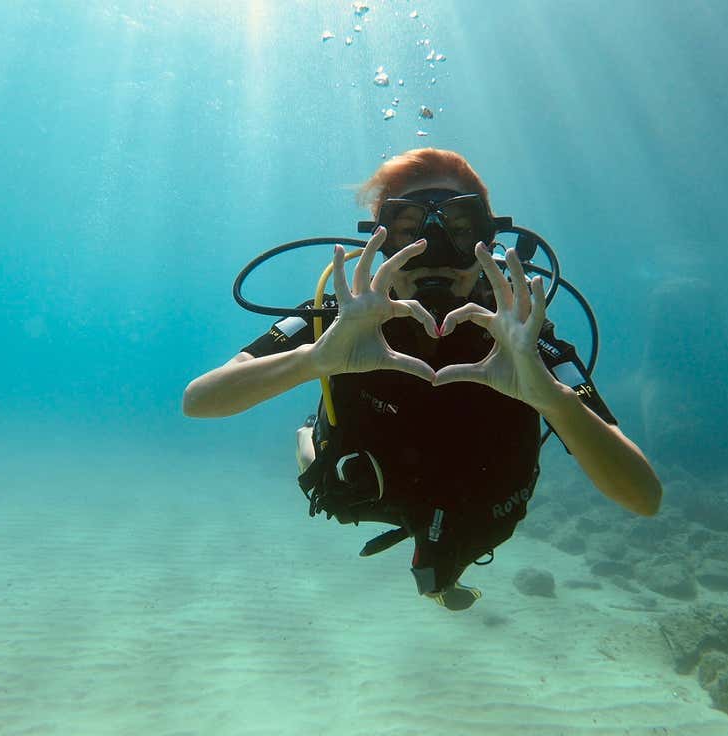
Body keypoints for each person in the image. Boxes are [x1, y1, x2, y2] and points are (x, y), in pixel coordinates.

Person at [183, 148, 661, 610]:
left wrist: (554, 399)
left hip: (476, 503)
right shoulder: (340, 319)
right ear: (378, 243)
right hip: (362, 486)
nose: (434, 255)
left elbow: (644, 497)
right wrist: (313, 359)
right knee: (319, 474)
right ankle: (305, 435)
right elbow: (199, 400)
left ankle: (436, 573)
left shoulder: (524, 339)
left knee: (438, 575)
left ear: (489, 240)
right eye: (408, 231)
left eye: (460, 229)